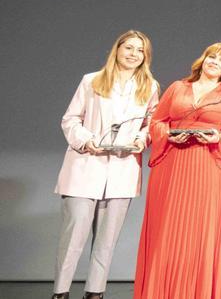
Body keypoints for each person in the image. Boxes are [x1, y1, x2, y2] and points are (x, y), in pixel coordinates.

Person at [133, 42, 221, 299]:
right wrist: (170, 136)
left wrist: (216, 137)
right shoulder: (178, 87)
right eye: (211, 57)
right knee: (166, 228)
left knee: (200, 231)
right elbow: (157, 122)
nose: (215, 62)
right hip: (173, 164)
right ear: (203, 59)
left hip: (208, 165)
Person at [54, 30, 160, 299]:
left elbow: (152, 124)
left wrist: (141, 139)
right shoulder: (92, 81)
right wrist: (86, 140)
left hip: (122, 170)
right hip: (85, 166)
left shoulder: (150, 87)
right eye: (128, 48)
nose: (133, 54)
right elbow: (70, 119)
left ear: (145, 57)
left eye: (139, 50)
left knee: (106, 241)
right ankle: (60, 292)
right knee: (73, 239)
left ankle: (95, 292)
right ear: (117, 49)